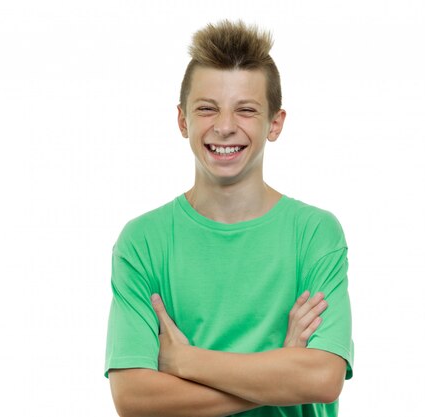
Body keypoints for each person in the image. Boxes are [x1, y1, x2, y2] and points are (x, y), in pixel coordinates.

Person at [104, 19, 354, 417]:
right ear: (183, 119)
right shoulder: (142, 241)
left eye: (246, 110)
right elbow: (134, 398)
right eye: (207, 109)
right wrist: (282, 373)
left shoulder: (314, 233)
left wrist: (185, 361)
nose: (223, 127)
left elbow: (323, 378)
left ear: (275, 123)